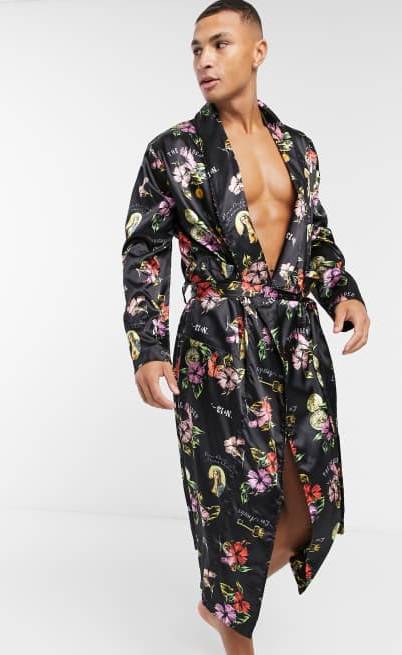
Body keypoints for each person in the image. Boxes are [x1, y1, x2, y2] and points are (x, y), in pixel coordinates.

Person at [120, 2, 370, 653]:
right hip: (218, 344)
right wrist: (148, 346)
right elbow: (144, 250)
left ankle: (220, 602)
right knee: (236, 506)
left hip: (295, 338)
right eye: (195, 48)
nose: (204, 60)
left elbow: (314, 234)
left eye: (219, 44)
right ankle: (236, 635)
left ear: (258, 52)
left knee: (312, 505)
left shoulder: (299, 149)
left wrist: (342, 293)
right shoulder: (173, 151)